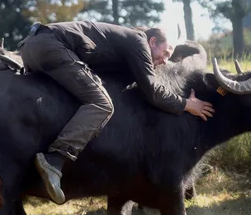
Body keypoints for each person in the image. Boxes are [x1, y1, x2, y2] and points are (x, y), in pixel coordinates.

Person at [17, 21, 215, 205]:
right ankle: (55, 159)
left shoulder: (124, 45)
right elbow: (153, 91)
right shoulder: (139, 41)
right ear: (152, 41)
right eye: (165, 53)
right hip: (50, 44)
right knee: (101, 104)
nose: (164, 61)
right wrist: (187, 104)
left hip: (29, 47)